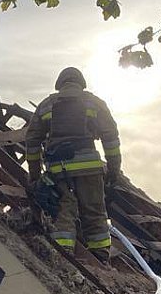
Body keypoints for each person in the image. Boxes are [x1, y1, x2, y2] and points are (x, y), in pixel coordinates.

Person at [25, 67, 122, 262]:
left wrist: (34, 176)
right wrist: (113, 169)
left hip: (58, 171)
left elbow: (32, 142)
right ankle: (100, 259)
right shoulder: (94, 103)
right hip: (90, 170)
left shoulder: (46, 105)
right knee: (95, 213)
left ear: (59, 85)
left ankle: (62, 260)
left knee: (63, 214)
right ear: (81, 83)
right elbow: (110, 138)